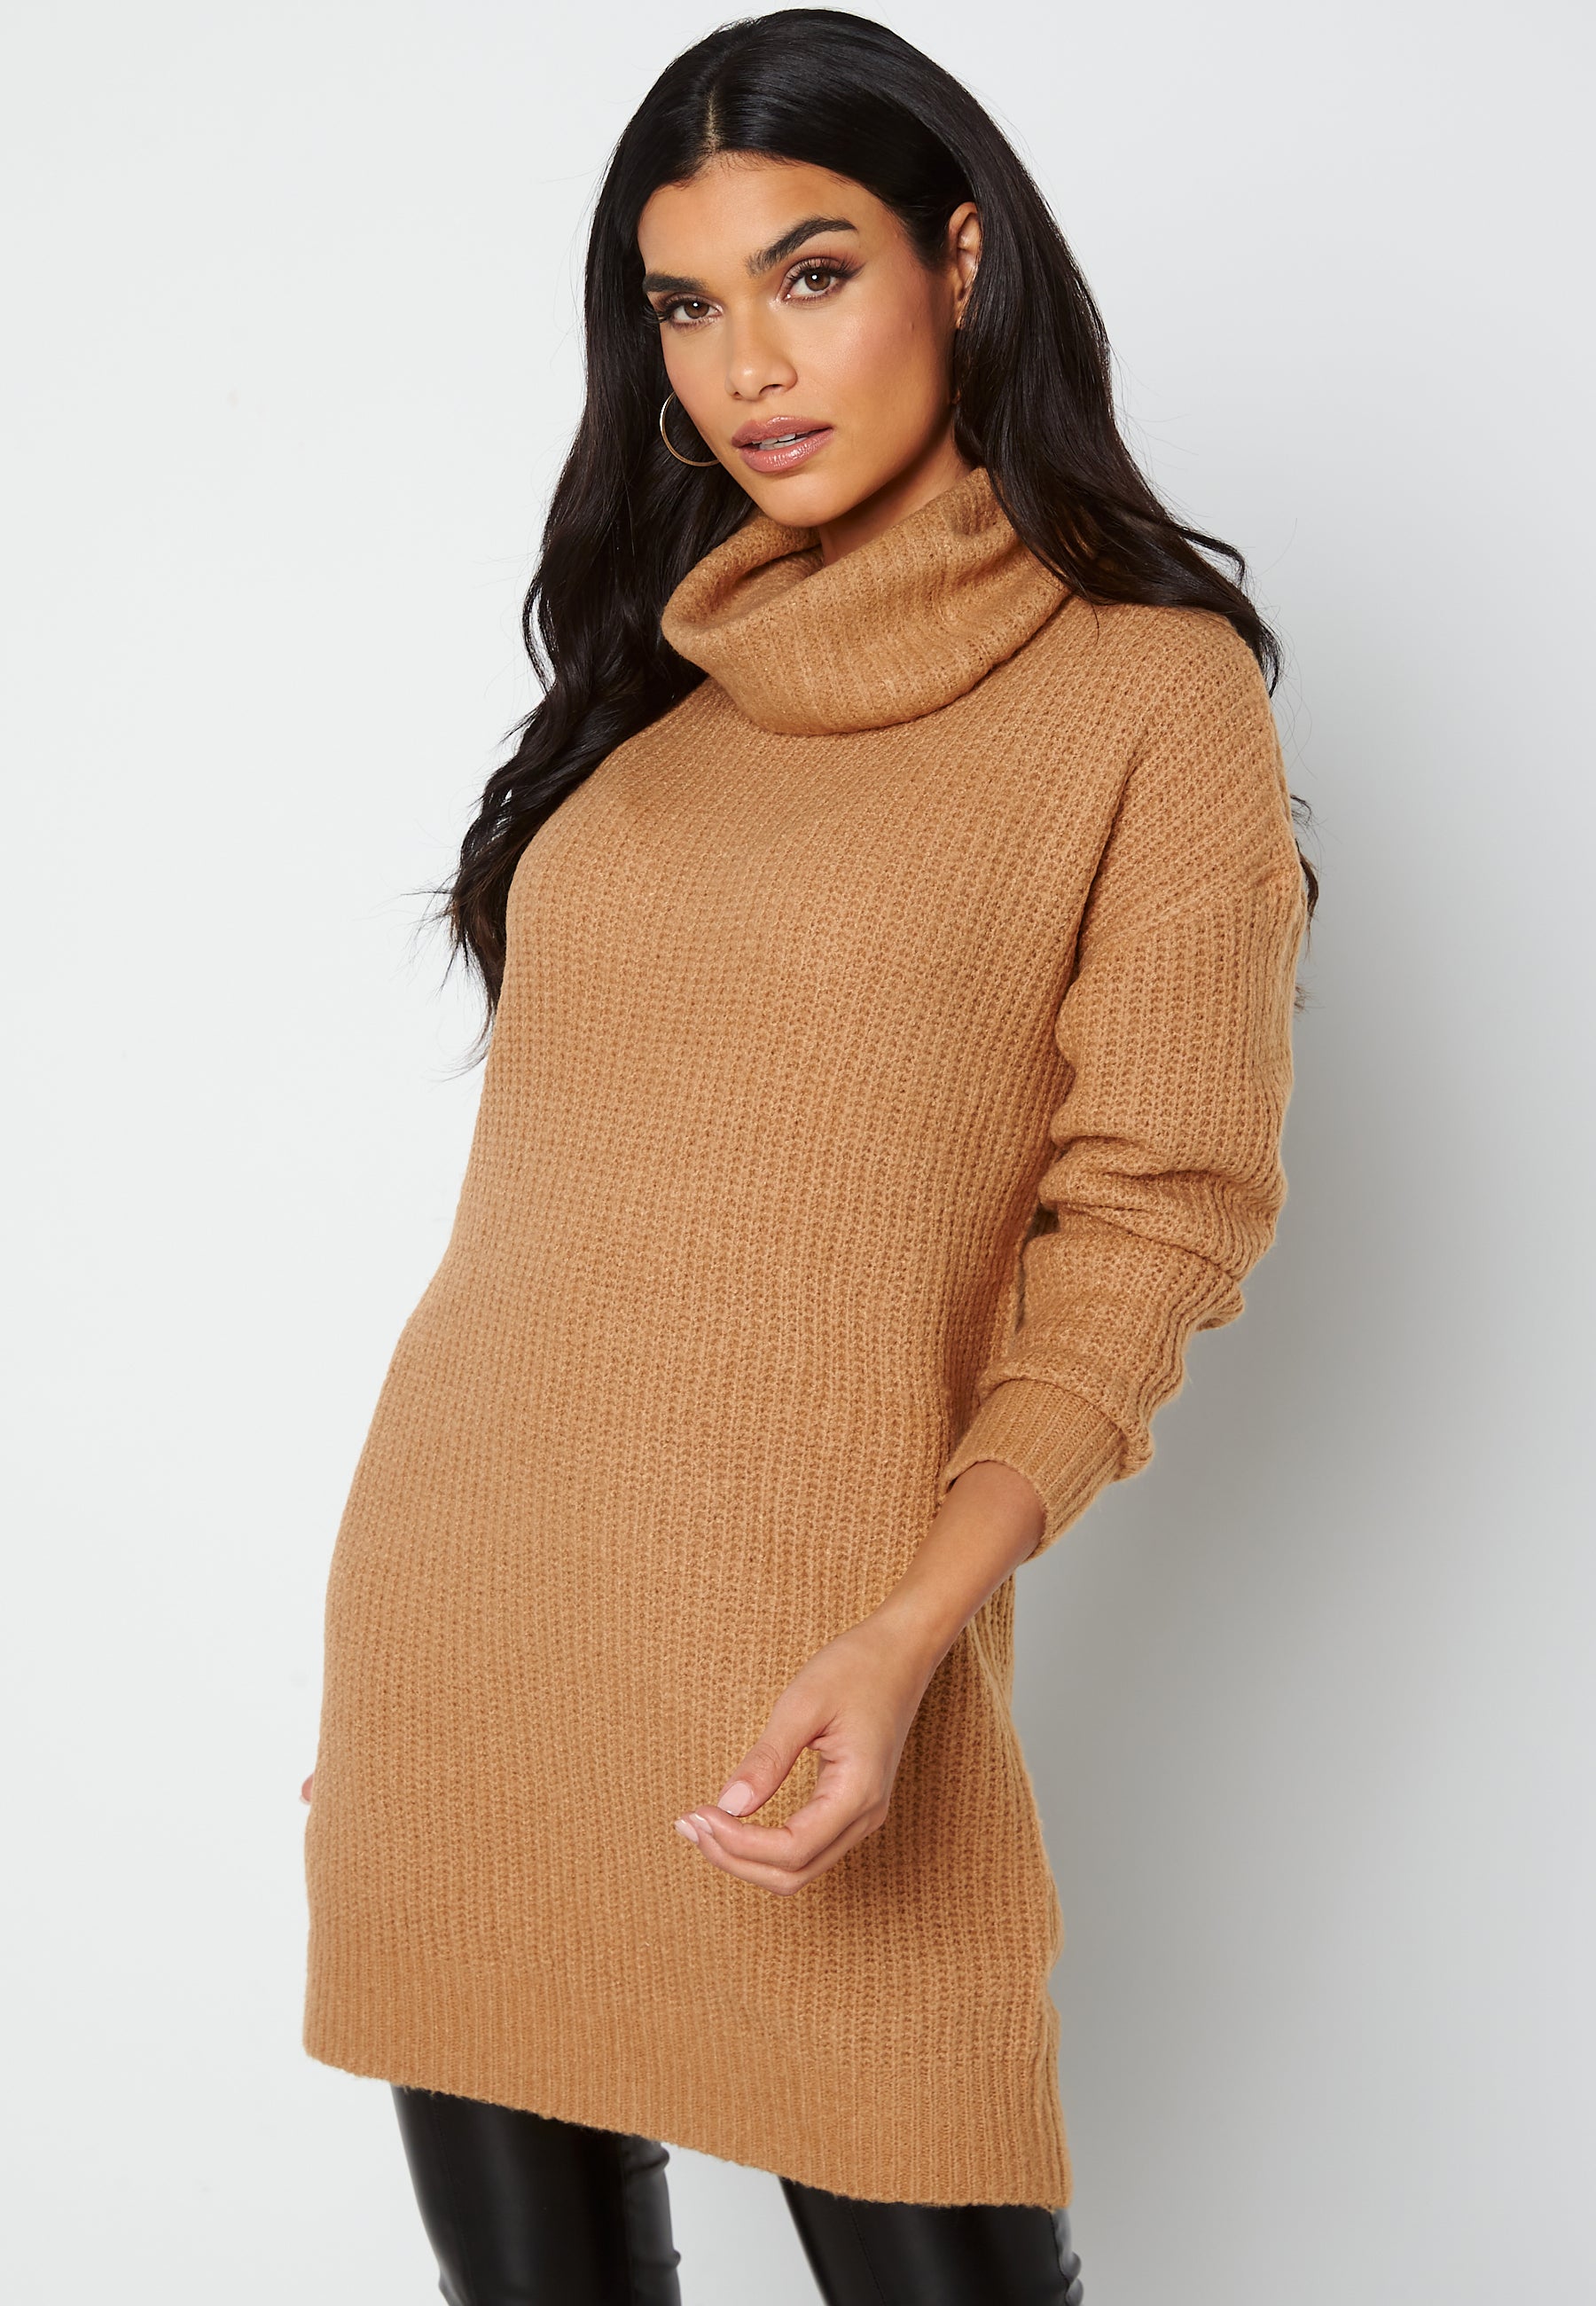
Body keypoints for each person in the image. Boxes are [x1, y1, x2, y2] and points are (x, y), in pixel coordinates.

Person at [300, 12, 1314, 2301]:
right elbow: (560, 1210)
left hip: (832, 1670)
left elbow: (1159, 1216)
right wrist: (412, 1679)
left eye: (813, 273)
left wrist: (911, 1630)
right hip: (473, 1635)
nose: (746, 364)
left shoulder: (1148, 693)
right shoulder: (651, 695)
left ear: (964, 261)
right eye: (685, 304)